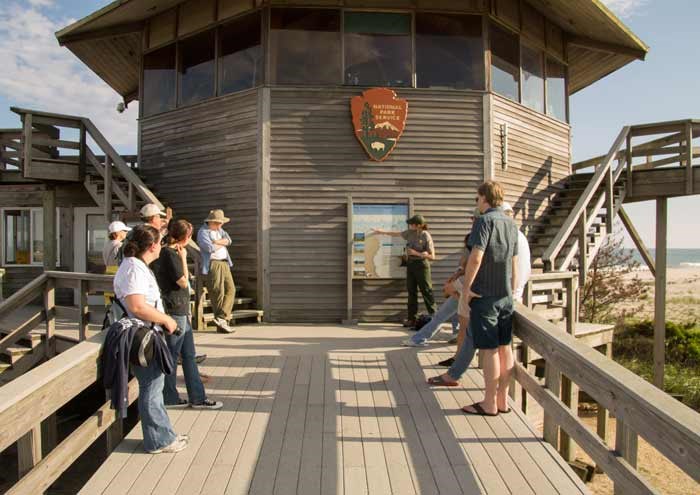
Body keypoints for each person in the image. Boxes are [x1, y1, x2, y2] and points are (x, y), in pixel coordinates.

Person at [113, 224, 188, 454]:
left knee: (155, 385)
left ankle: (164, 434)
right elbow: (137, 306)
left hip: (146, 333)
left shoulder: (136, 266)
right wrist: (166, 319)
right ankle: (158, 441)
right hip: (141, 334)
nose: (162, 247)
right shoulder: (133, 269)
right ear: (153, 245)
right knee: (151, 387)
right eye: (161, 243)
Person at [152, 219, 222, 410]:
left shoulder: (168, 252)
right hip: (175, 309)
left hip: (180, 309)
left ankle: (197, 397)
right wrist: (184, 259)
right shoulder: (170, 254)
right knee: (173, 356)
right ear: (185, 236)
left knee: (188, 355)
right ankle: (170, 396)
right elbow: (183, 282)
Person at [372, 214, 435, 327]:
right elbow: (396, 234)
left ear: (419, 225)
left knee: (426, 291)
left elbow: (432, 256)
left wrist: (417, 253)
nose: (410, 225)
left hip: (421, 266)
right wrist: (381, 231)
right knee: (411, 292)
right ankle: (412, 319)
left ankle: (435, 318)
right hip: (411, 265)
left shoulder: (426, 235)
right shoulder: (409, 233)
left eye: (412, 224)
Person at [197, 209, 236, 333]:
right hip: (213, 264)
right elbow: (209, 248)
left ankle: (221, 318)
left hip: (224, 262)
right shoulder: (203, 232)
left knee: (231, 289)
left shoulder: (220, 231)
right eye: (218, 223)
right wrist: (221, 243)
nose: (221, 225)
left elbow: (229, 240)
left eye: (221, 223)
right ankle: (221, 323)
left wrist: (217, 242)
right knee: (217, 292)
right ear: (211, 222)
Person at [502, 202, 531, 302]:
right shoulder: (519, 234)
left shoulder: (509, 236)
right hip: (518, 290)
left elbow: (513, 265)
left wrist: (512, 292)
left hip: (509, 293)